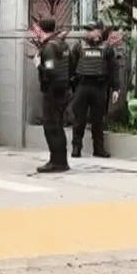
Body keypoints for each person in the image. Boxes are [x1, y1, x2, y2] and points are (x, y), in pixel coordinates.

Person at [69, 22, 119, 158]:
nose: (96, 35)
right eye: (93, 32)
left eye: (98, 32)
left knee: (98, 120)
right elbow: (72, 66)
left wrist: (116, 88)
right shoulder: (79, 47)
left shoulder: (107, 49)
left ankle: (99, 149)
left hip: (99, 87)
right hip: (82, 85)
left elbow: (113, 69)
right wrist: (73, 85)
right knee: (79, 120)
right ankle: (76, 148)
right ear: (88, 33)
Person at [35, 18, 71, 173]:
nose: (35, 32)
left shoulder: (49, 48)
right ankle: (60, 160)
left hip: (54, 91)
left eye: (36, 29)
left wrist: (39, 65)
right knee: (57, 126)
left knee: (51, 126)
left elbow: (51, 70)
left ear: (41, 30)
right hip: (63, 89)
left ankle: (57, 162)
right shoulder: (62, 44)